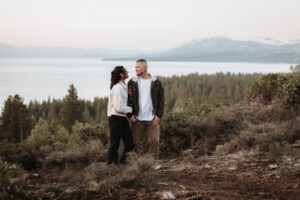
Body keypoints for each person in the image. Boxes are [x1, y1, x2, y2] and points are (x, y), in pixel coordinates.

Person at [127, 59, 164, 159]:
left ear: (145, 68)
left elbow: (161, 100)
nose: (136, 69)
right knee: (137, 143)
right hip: (137, 118)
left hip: (152, 118)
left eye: (138, 67)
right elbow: (128, 100)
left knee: (154, 141)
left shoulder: (156, 82)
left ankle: (152, 163)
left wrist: (159, 115)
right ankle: (140, 164)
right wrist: (130, 115)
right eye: (135, 67)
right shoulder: (132, 82)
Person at [107, 66, 134, 165]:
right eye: (125, 70)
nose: (127, 71)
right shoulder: (118, 88)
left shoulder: (123, 87)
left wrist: (130, 96)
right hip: (116, 119)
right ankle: (111, 167)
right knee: (114, 145)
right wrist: (132, 110)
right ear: (121, 74)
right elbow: (119, 107)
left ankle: (122, 164)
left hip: (122, 119)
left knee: (130, 143)